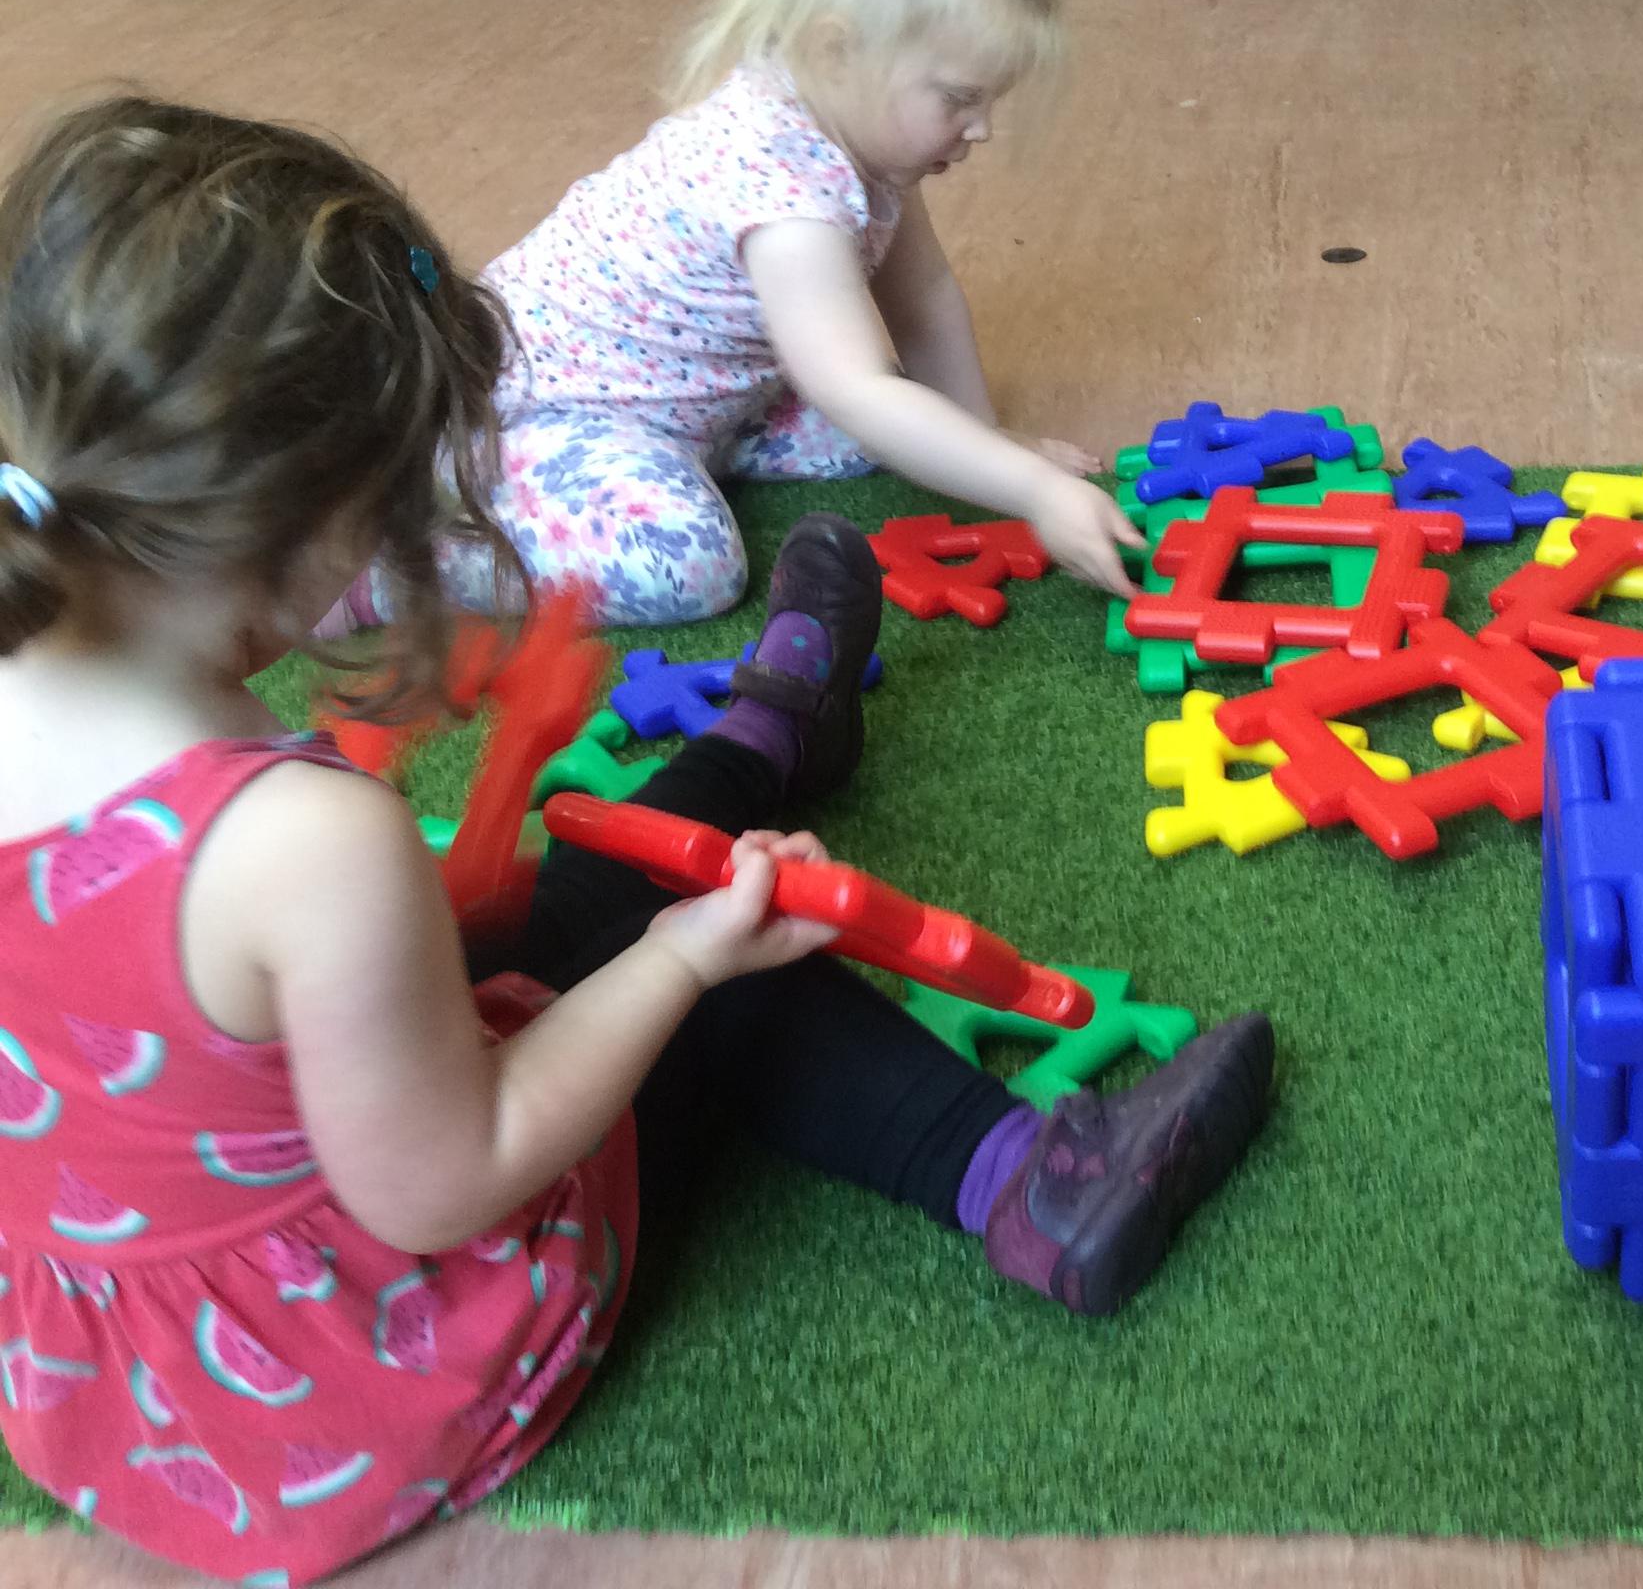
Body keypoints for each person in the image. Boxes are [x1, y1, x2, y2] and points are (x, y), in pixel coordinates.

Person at [0, 96, 1273, 1584]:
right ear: (307, 514)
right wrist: (682, 966)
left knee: (609, 886)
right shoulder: (299, 847)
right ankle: (1030, 1182)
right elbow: (450, 1178)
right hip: (363, 1381)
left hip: (113, 1394)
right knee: (709, 951)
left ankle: (770, 732)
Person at [318, 0, 1138, 635]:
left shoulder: (852, 125)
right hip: (541, 419)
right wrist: (1033, 490)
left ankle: (701, 454)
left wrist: (990, 442)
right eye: (959, 98)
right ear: (837, 50)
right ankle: (397, 569)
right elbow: (855, 388)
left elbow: (921, 295)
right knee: (692, 561)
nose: (982, 128)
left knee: (911, 426)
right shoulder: (782, 192)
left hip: (684, 402)